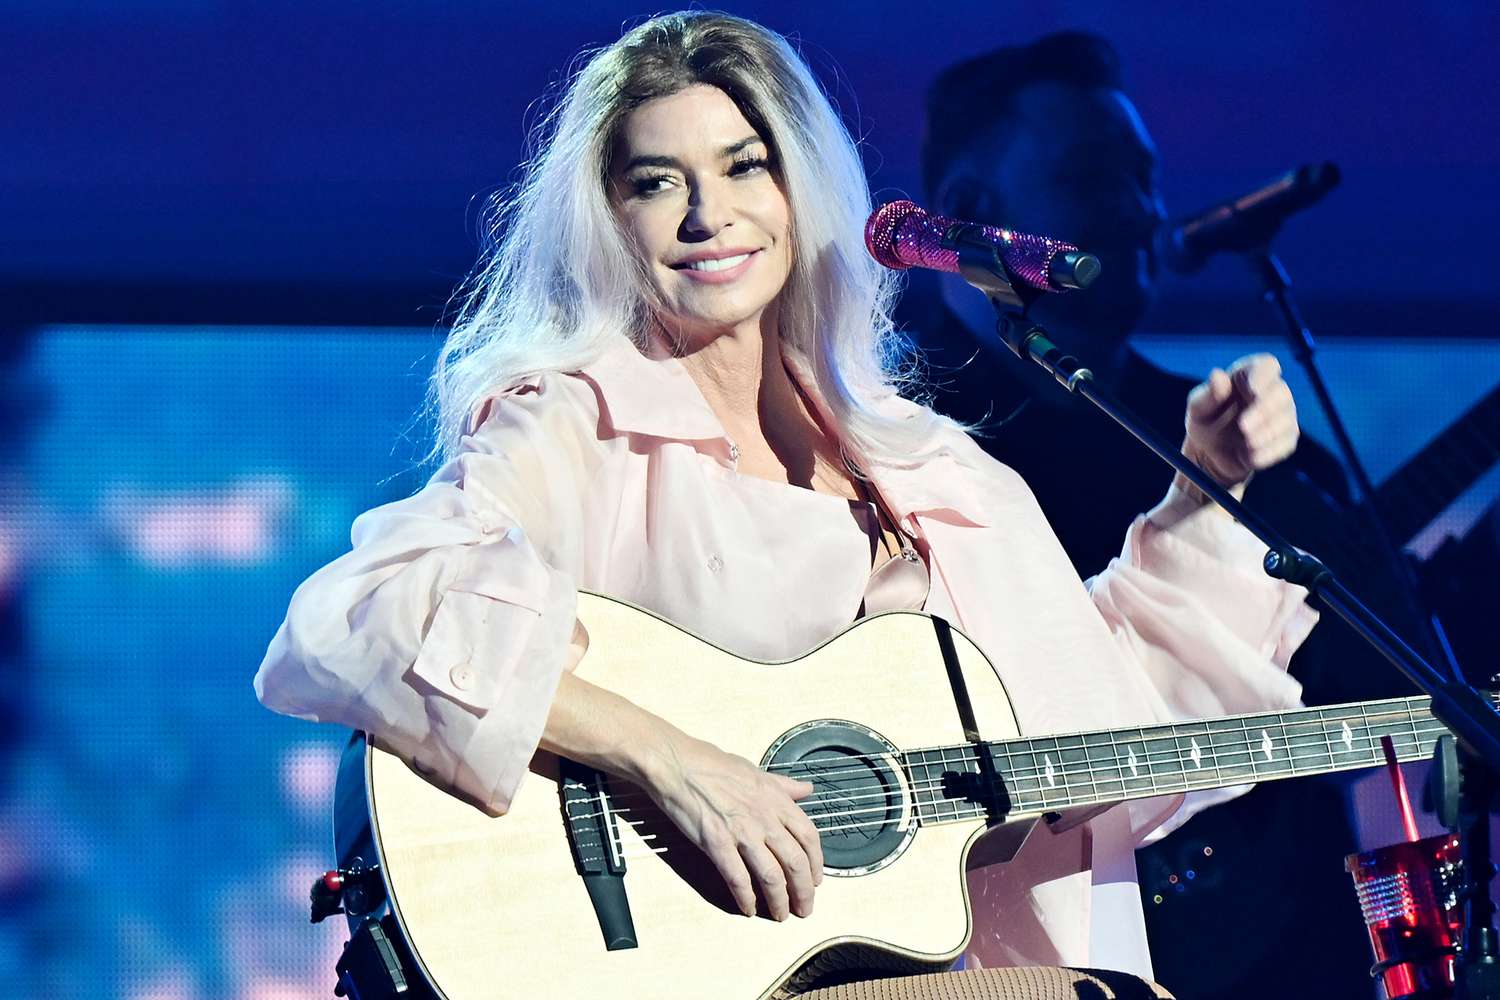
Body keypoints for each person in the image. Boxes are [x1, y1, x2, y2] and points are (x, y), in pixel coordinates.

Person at [254, 13, 1312, 998]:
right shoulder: (580, 422)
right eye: (657, 182)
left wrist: (1207, 492)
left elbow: (1107, 726)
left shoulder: (933, 470)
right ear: (609, 218)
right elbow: (368, 618)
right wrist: (667, 757)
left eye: (743, 167)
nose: (708, 216)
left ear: (802, 190)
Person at [911, 32, 1410, 999]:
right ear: (971, 212)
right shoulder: (886, 441)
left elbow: (1373, 691)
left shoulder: (1244, 442)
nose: (1143, 214)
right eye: (1097, 177)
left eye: (1147, 179)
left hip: (1285, 948)